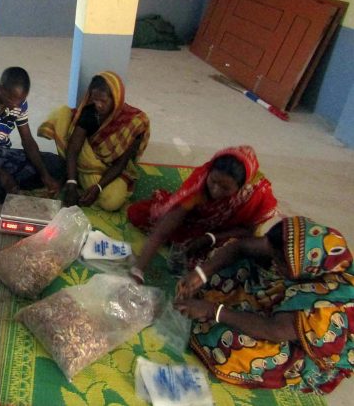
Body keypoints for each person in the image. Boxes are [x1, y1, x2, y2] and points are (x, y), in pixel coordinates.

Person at [174, 216, 354, 394]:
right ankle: (221, 310)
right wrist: (201, 274)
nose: (275, 261)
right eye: (274, 254)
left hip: (293, 340)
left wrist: (212, 310)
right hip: (275, 300)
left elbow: (274, 330)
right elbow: (239, 247)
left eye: (280, 261)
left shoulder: (323, 306)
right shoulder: (295, 249)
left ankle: (218, 318)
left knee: (234, 348)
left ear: (309, 270)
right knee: (227, 266)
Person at [126, 145, 278, 282]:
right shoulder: (198, 184)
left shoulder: (256, 194)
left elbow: (249, 230)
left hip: (229, 232)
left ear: (241, 187)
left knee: (225, 263)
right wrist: (138, 269)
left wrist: (210, 238)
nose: (216, 190)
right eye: (213, 181)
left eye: (225, 188)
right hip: (198, 222)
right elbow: (164, 228)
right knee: (139, 214)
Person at [38, 71, 150, 211]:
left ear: (116, 98)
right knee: (62, 114)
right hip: (88, 164)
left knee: (111, 202)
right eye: (94, 100)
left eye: (103, 101)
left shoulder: (133, 123)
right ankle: (75, 177)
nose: (98, 105)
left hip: (113, 170)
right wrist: (71, 183)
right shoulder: (90, 113)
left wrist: (98, 187)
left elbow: (119, 165)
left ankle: (81, 178)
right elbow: (73, 150)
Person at [0, 66, 66, 208]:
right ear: (0, 89)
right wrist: (1, 173)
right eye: (11, 100)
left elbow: (27, 140)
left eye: (20, 100)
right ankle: (4, 181)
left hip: (2, 153)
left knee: (57, 165)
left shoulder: (19, 104)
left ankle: (2, 183)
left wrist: (44, 174)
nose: (15, 105)